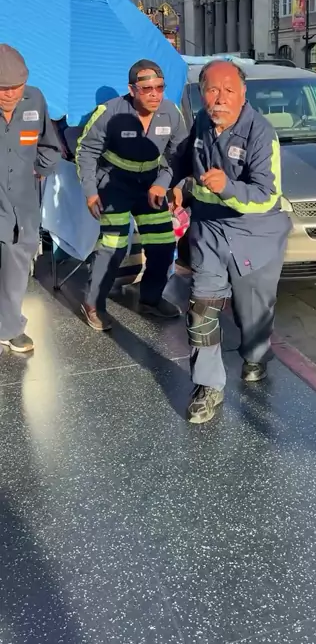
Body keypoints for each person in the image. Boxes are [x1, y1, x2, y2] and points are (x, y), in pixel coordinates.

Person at [172, 59, 291, 424]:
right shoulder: (202, 122)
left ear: (243, 93)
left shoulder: (261, 133)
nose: (220, 98)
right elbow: (180, 159)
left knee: (252, 314)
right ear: (201, 93)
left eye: (228, 90)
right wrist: (170, 184)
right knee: (203, 308)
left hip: (254, 236)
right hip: (209, 232)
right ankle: (208, 386)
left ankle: (256, 355)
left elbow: (266, 196)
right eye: (212, 90)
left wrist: (227, 188)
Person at [76, 59, 186, 331]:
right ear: (132, 89)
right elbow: (86, 151)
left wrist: (168, 184)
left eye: (160, 87)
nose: (155, 94)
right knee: (113, 248)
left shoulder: (171, 113)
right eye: (147, 88)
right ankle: (93, 304)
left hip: (151, 186)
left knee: (163, 245)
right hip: (115, 185)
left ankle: (150, 299)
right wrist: (90, 192)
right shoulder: (109, 112)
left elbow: (179, 155)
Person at [0, 44, 61, 353]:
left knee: (16, 266)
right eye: (3, 88)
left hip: (23, 203)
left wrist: (41, 168)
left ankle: (9, 327)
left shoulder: (35, 99)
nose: (11, 93)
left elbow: (50, 145)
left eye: (17, 86)